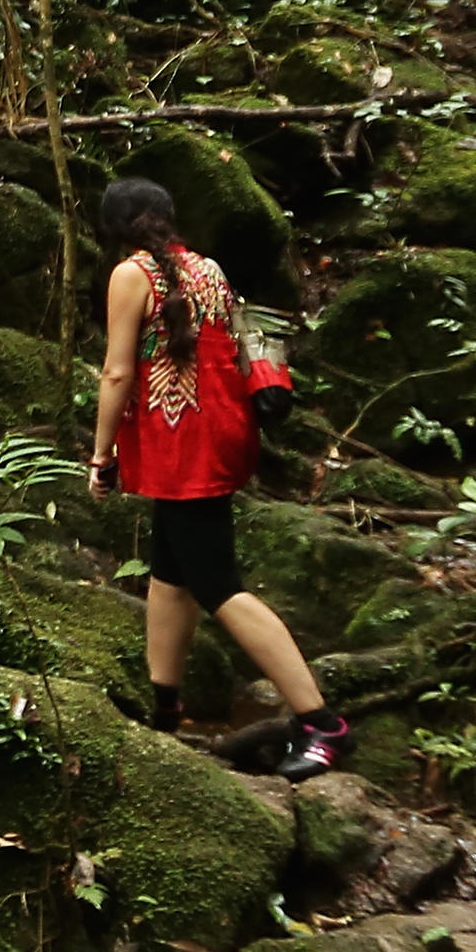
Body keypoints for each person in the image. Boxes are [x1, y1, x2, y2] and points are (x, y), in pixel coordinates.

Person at [84, 171, 353, 775]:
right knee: (170, 573)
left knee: (218, 585)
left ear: (114, 226)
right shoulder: (208, 268)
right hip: (220, 432)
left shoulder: (131, 275)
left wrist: (102, 453)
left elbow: (118, 374)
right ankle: (165, 705)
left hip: (183, 444)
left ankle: (322, 723)